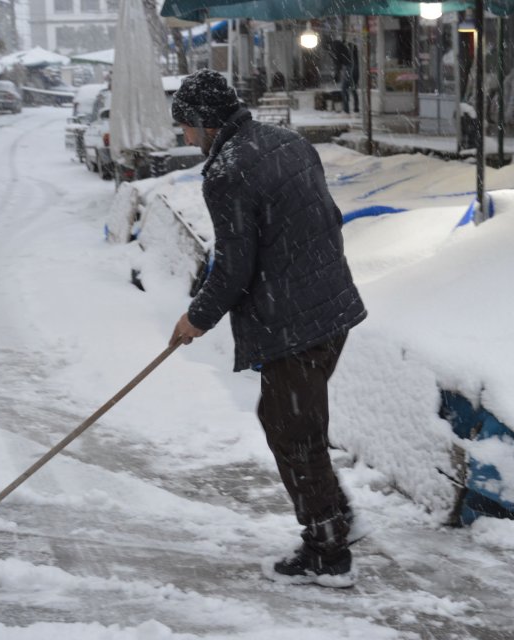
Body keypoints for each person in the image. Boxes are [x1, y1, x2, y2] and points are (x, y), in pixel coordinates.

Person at [167, 70, 368, 588]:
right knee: (297, 423)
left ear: (208, 122)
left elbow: (233, 267)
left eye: (187, 126)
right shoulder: (289, 143)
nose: (185, 137)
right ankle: (336, 518)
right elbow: (328, 218)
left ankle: (329, 550)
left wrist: (198, 316)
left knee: (290, 429)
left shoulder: (228, 171)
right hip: (331, 308)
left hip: (295, 322)